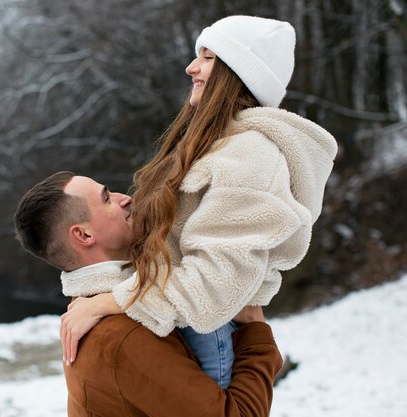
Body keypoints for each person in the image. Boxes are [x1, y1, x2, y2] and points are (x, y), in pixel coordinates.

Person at [59, 15, 338, 389]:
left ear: (236, 73)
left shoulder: (250, 154)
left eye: (207, 58)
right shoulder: (216, 146)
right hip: (185, 325)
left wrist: (108, 303)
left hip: (209, 335)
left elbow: (214, 284)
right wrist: (93, 287)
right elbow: (166, 248)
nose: (191, 67)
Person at [13, 171, 283, 417]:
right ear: (83, 234)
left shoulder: (103, 306)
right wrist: (255, 333)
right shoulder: (122, 336)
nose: (126, 199)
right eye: (106, 199)